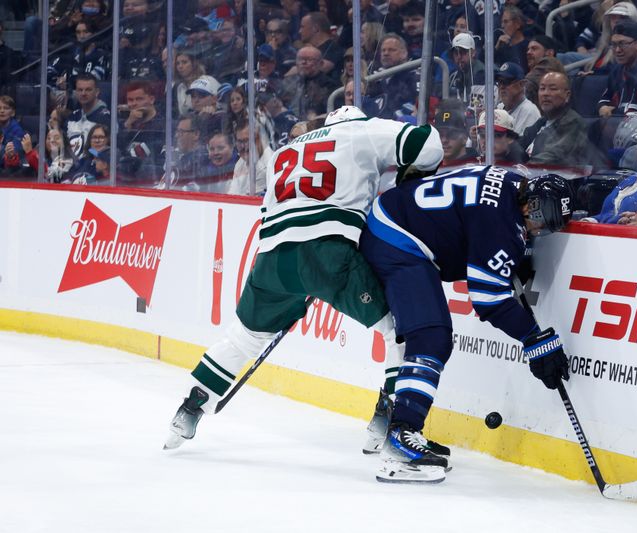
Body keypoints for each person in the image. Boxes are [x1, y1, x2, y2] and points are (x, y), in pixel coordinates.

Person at [164, 106, 443, 455]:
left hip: (271, 260)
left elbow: (268, 213)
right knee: (399, 328)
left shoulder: (286, 150)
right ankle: (386, 423)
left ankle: (189, 410)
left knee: (243, 339)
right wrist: (410, 177)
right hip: (328, 255)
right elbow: (427, 142)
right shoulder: (360, 131)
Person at [359, 169, 573, 483]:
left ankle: (386, 422)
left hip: (395, 217)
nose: (539, 231)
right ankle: (401, 438)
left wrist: (511, 255)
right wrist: (534, 339)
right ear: (529, 207)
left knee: (422, 336)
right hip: (397, 237)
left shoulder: (516, 185)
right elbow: (489, 299)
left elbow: (474, 224)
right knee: (430, 338)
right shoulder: (501, 224)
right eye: (541, 223)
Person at [520, 72, 591, 167]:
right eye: (542, 88)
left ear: (567, 95)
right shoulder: (542, 122)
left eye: (553, 89)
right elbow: (518, 146)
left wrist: (521, 169)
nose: (545, 94)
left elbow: (552, 157)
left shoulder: (573, 123)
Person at [496, 62, 541, 137]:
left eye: (506, 82)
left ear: (522, 84)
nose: (501, 87)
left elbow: (523, 146)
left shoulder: (530, 111)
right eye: (499, 82)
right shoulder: (499, 108)